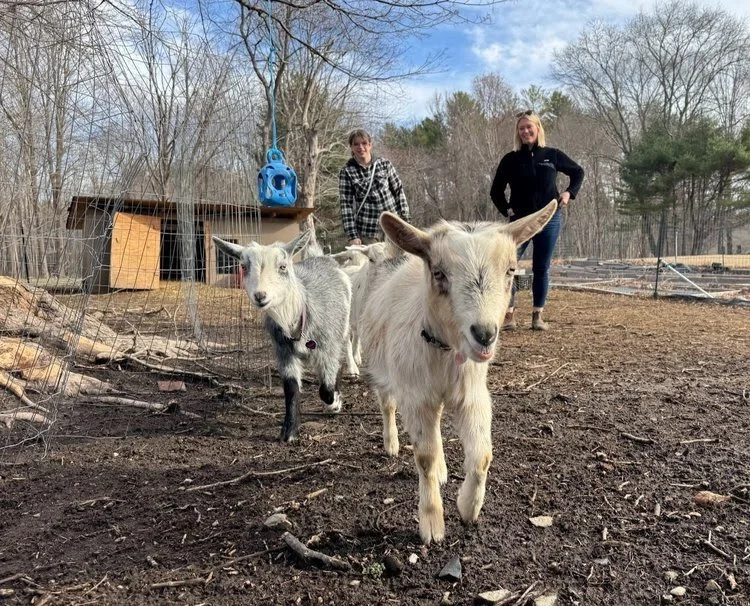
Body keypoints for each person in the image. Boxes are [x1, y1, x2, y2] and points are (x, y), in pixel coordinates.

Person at [490, 110, 584, 331]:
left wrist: (569, 193)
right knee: (506, 266)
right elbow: (495, 191)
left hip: (548, 219)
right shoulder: (510, 159)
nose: (525, 131)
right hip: (520, 222)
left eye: (529, 127)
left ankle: (537, 316)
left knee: (541, 267)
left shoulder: (552, 155)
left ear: (538, 128)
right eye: (521, 128)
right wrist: (507, 210)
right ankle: (509, 314)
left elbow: (578, 172)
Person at [339, 129, 410, 245]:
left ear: (370, 145)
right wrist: (352, 235)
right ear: (351, 147)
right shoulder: (347, 172)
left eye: (364, 143)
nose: (361, 147)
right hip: (368, 233)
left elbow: (398, 192)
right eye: (356, 144)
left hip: (393, 228)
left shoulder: (385, 164)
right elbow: (346, 205)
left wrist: (405, 221)